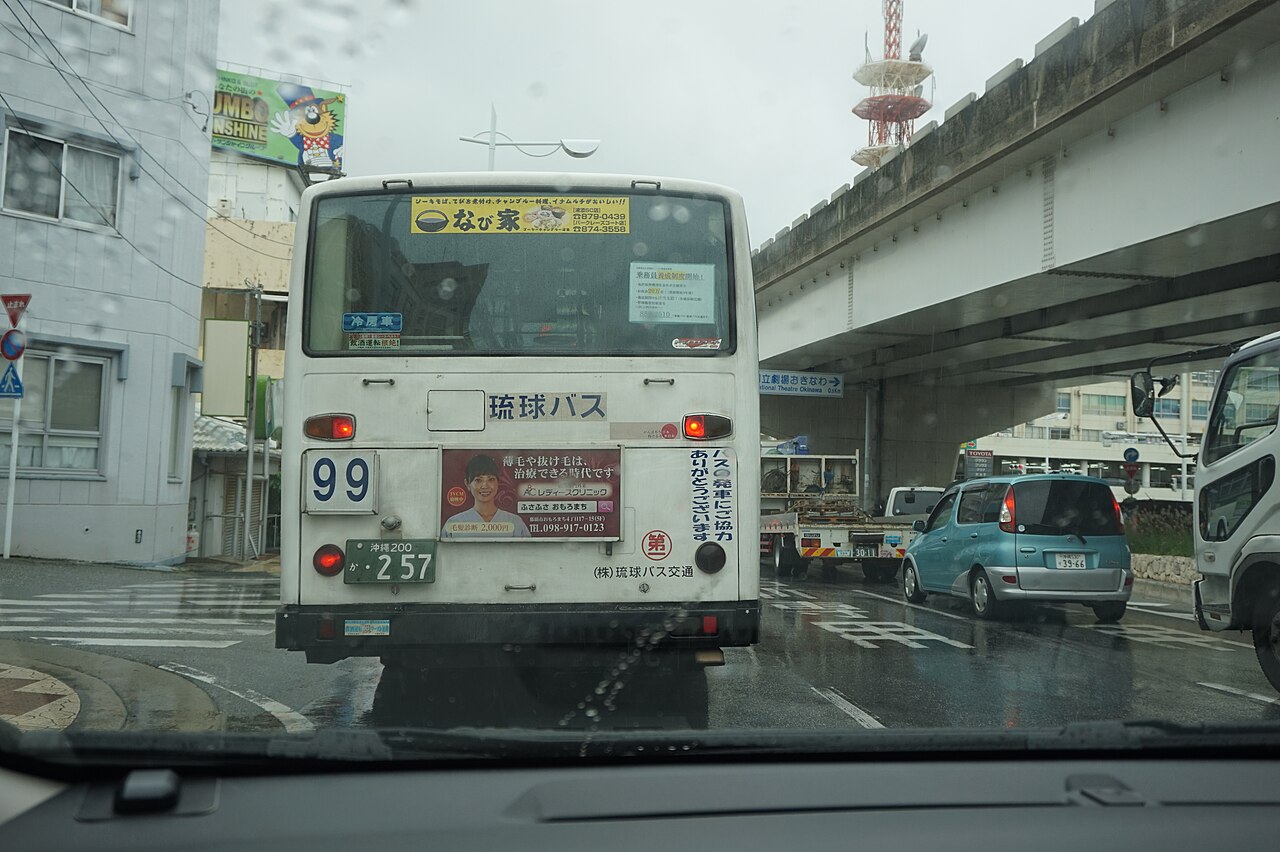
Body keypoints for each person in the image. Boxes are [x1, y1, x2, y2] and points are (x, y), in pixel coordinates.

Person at [441, 454, 532, 538]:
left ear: (498, 483)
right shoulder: (454, 523)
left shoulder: (515, 522)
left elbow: (529, 554)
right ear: (467, 484)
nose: (485, 486)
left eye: (491, 479)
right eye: (478, 480)